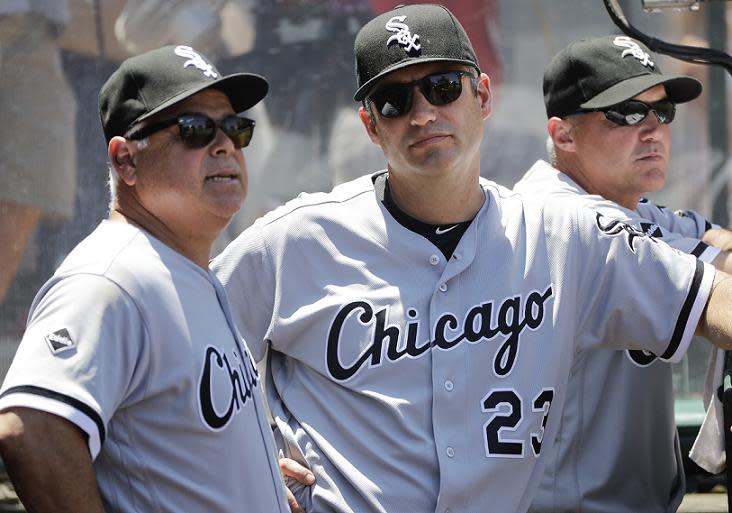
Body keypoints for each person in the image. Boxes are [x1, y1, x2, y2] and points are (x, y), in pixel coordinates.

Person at [212, 5, 732, 513]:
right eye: (394, 100)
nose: (422, 114)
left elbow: (713, 301)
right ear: (371, 125)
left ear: (482, 96)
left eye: (443, 88)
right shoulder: (296, 240)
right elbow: (182, 349)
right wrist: (240, 458)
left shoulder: (562, 235)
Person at [0, 45, 290, 513]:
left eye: (235, 127)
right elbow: (30, 428)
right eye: (195, 130)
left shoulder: (182, 271)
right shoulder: (110, 278)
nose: (224, 145)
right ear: (125, 161)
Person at [512, 34, 731, 513]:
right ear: (563, 134)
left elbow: (723, 248)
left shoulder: (630, 208)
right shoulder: (562, 218)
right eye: (627, 113)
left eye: (662, 112)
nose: (652, 129)